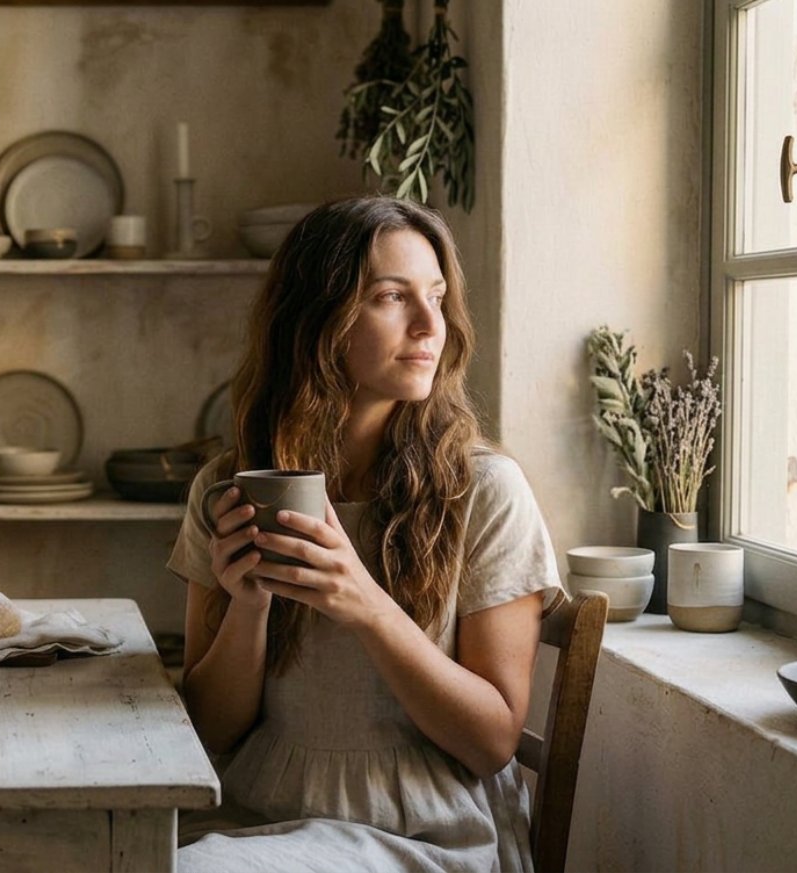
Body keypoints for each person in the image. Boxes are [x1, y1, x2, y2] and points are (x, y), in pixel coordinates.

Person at [169, 197, 564, 872]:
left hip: (423, 832)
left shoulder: (485, 490)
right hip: (254, 815)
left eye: (437, 296)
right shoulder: (228, 486)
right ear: (318, 318)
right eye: (392, 296)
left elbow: (493, 739)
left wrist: (366, 604)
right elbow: (208, 729)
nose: (429, 324)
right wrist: (250, 603)